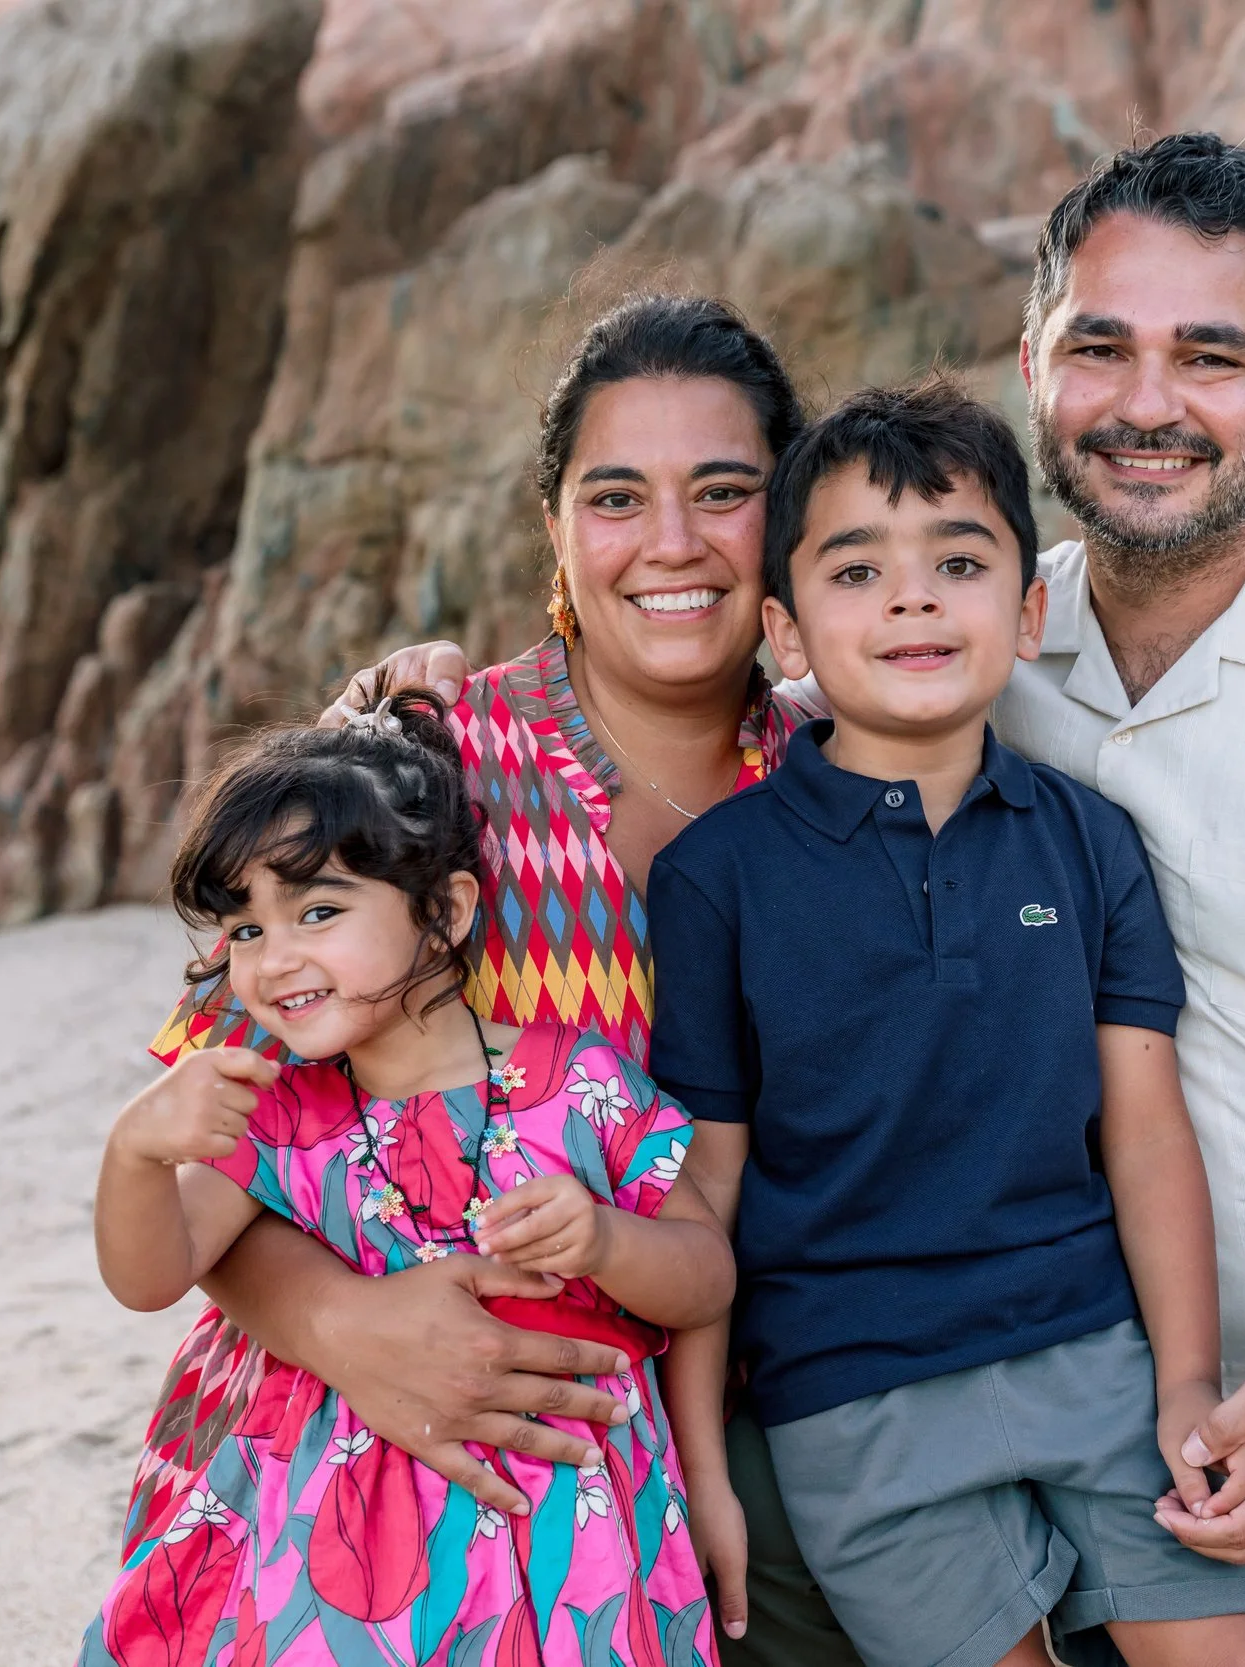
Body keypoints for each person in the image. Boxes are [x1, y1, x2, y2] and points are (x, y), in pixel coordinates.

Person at [349, 131, 1245, 1667]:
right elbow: (718, 667)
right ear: (1035, 368)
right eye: (1101, 347)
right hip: (992, 1394)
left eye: (1212, 356)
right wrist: (415, 712)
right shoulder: (950, 639)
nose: (1147, 401)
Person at [114, 294, 837, 1626]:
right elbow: (223, 1126)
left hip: (743, 1417)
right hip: (384, 1453)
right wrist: (345, 1328)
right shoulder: (420, 773)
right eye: (615, 497)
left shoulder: (847, 781)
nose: (672, 541)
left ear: (788, 518)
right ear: (554, 526)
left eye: (724, 491)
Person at [647, 379, 1245, 1667]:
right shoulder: (719, 877)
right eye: (857, 571)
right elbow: (704, 1190)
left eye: (958, 562)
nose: (913, 599)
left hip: (1097, 1359)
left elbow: (1145, 1134)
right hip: (855, 1399)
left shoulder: (1089, 841)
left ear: (1029, 609)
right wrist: (700, 1471)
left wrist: (1184, 1377)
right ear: (785, 630)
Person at [84, 684, 734, 1665]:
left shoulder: (580, 1082)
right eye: (247, 928)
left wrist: (609, 1239)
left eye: (317, 910)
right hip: (337, 1554)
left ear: (445, 911)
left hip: (573, 1538)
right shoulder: (279, 1109)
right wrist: (133, 1153)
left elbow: (706, 1276)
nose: (274, 958)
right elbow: (150, 1275)